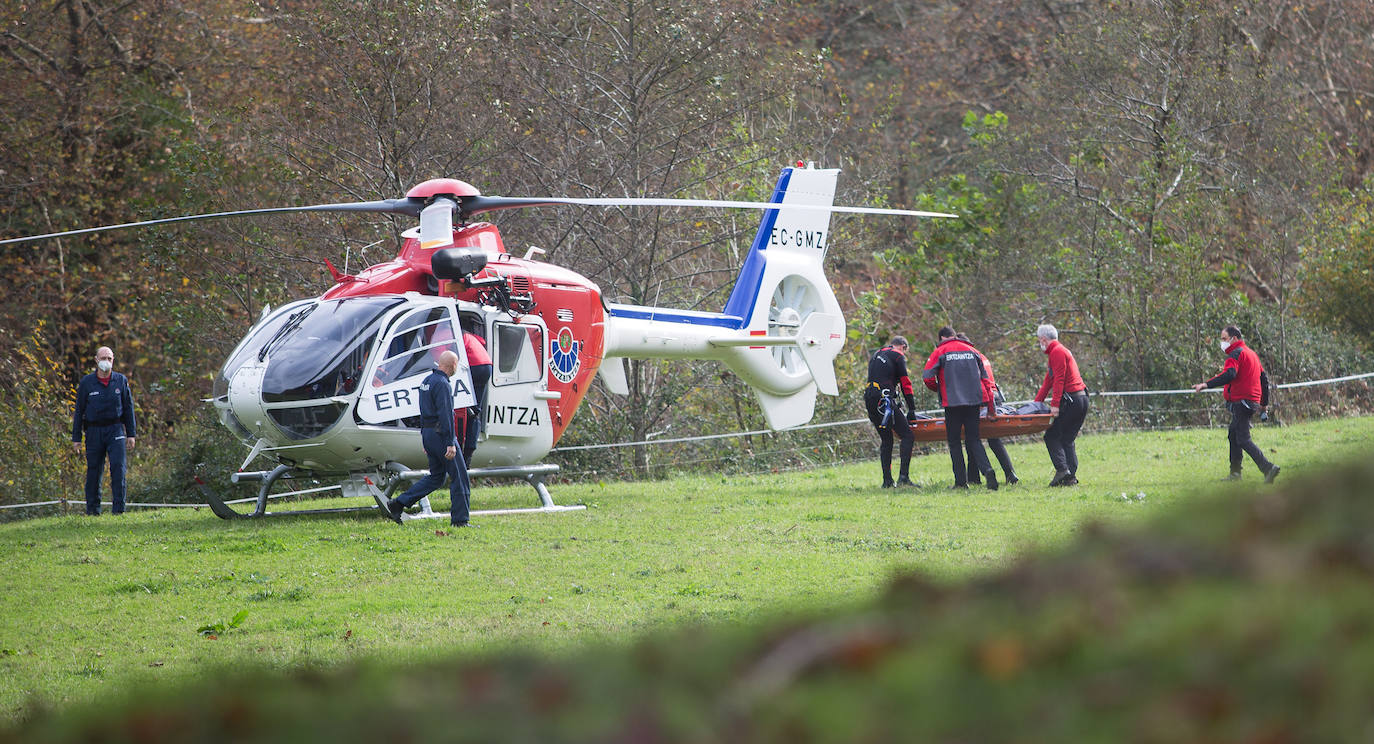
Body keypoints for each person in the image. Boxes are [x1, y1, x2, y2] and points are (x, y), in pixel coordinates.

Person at [375, 350, 472, 526]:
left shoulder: (426, 381)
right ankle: (460, 520)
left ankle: (398, 504)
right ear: (452, 365)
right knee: (460, 477)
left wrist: (426, 439)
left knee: (437, 477)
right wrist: (450, 442)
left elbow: (422, 412)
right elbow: (445, 415)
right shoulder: (442, 384)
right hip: (441, 435)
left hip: (428, 434)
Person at [1191, 325, 1280, 483]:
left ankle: (1268, 468)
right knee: (1233, 433)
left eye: (1224, 339)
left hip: (1241, 402)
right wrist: (1264, 404)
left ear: (1235, 338)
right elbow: (1264, 379)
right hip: (1251, 402)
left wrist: (1206, 384)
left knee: (1243, 439)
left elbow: (1230, 374)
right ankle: (1235, 473)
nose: (1222, 342)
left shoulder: (1236, 354)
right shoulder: (1252, 354)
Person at [922, 327, 998, 490]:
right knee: (974, 439)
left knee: (955, 442)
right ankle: (988, 470)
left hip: (953, 404)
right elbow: (986, 380)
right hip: (974, 402)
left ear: (942, 337)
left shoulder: (940, 351)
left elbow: (927, 377)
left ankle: (961, 482)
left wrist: (939, 388)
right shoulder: (972, 350)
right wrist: (991, 407)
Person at [70, 346, 137, 515]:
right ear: (96, 360)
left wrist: (131, 434)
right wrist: (76, 438)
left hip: (115, 430)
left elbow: (128, 409)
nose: (106, 361)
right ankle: (93, 511)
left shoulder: (121, 381)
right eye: (103, 358)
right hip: (93, 431)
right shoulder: (86, 383)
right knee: (94, 471)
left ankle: (119, 511)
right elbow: (79, 411)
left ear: (113, 360)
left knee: (118, 468)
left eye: (109, 358)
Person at [956, 333, 1018, 486]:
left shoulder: (968, 357)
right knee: (994, 438)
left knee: (972, 437)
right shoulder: (981, 355)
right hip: (994, 396)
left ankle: (974, 478)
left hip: (982, 398)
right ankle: (1010, 473)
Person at [1033, 324, 1089, 487]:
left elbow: (1059, 380)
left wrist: (1055, 405)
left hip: (1071, 400)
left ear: (1043, 339)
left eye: (1039, 340)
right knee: (1067, 439)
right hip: (1082, 399)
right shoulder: (1059, 351)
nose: (1039, 344)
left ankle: (1063, 470)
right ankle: (1070, 477)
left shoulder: (1057, 352)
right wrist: (1036, 404)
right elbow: (1048, 382)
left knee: (1051, 436)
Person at [863, 336, 918, 488]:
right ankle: (903, 478)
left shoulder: (876, 355)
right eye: (905, 351)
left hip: (870, 398)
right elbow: (906, 384)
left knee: (887, 440)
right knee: (907, 435)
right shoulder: (897, 356)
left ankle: (887, 480)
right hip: (884, 400)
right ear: (903, 347)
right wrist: (911, 408)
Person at [462, 329, 493, 465]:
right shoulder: (468, 335)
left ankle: (459, 449)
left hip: (473, 366)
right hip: (486, 366)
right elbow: (483, 341)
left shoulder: (441, 333)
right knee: (474, 412)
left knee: (458, 408)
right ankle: (468, 454)